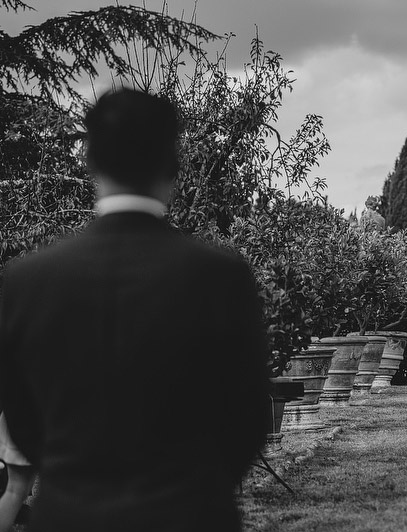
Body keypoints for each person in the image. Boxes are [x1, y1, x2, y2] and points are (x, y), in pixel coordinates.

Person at [0, 88, 271, 532]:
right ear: (173, 166)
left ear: (92, 164)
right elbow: (246, 415)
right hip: (191, 514)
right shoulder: (220, 276)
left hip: (69, 515)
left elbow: (24, 421)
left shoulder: (28, 279)